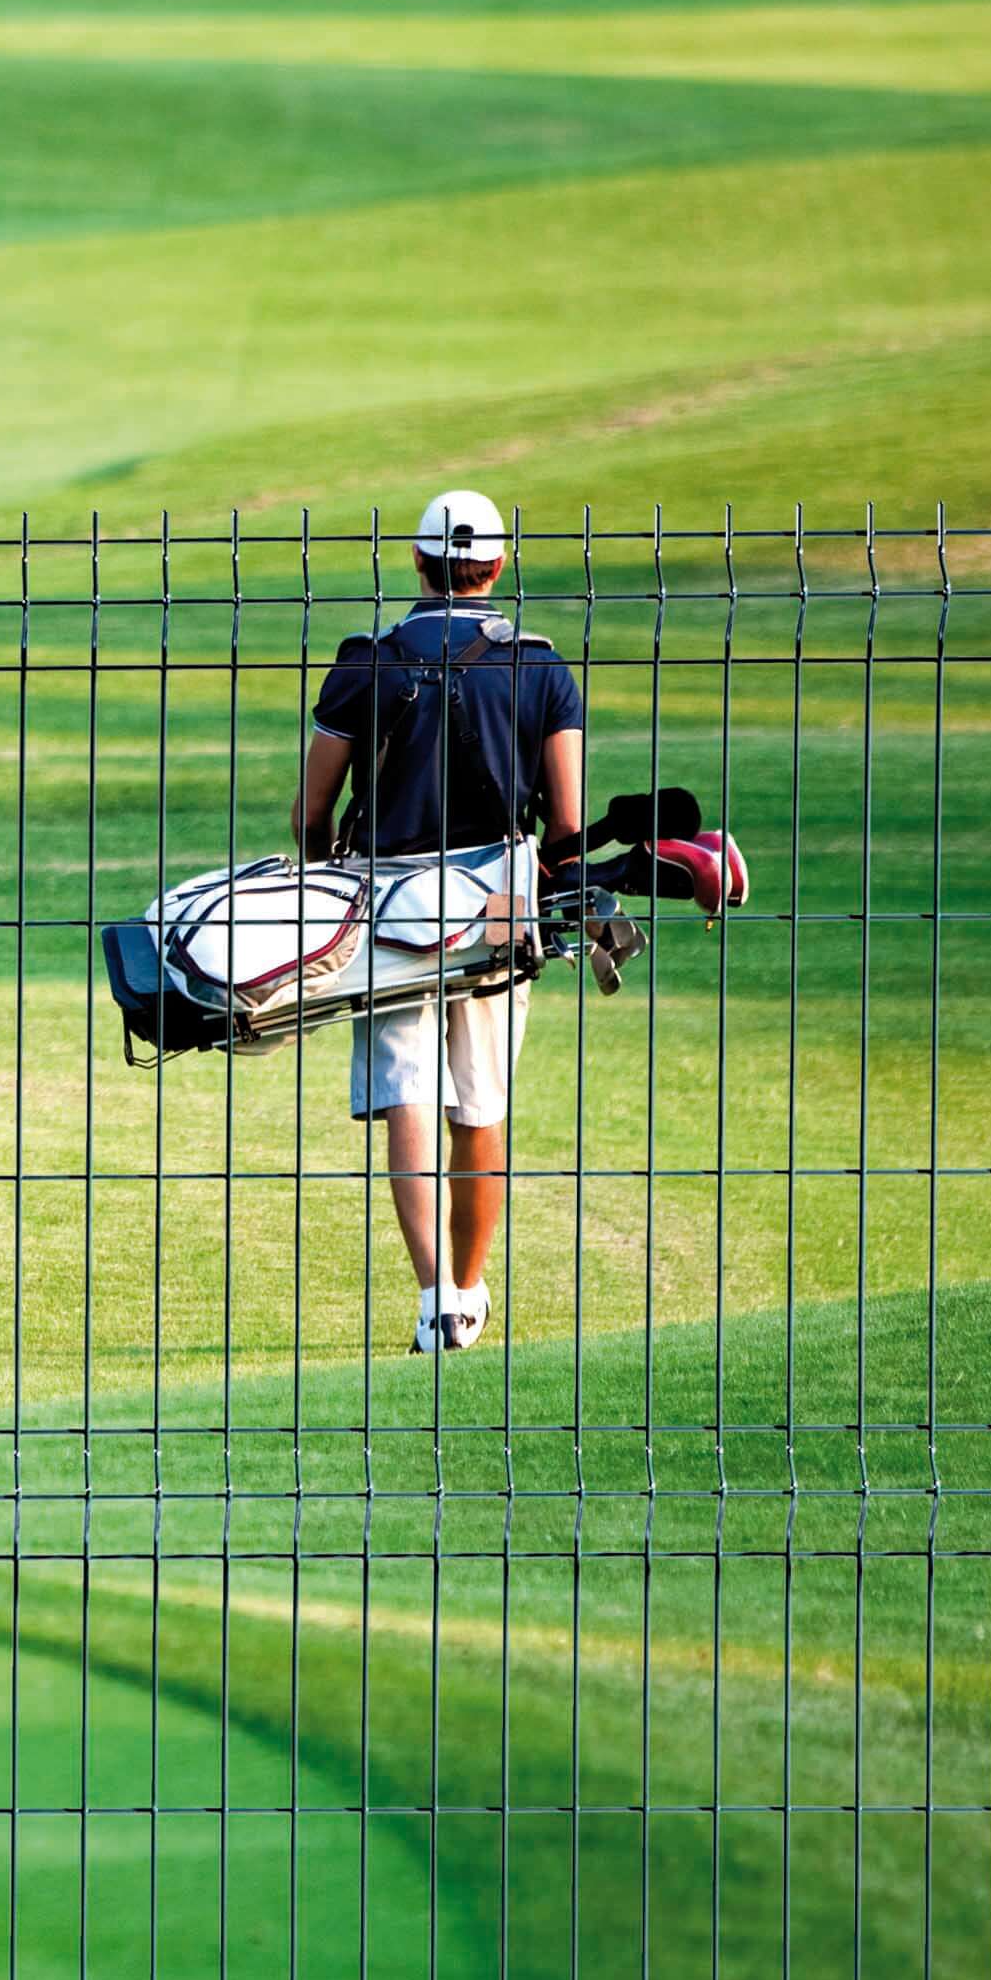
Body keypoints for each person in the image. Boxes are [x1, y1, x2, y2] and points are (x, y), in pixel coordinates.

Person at [289, 491, 585, 1355]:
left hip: (386, 901)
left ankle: (434, 1300)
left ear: (417, 564)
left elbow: (313, 808)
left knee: (406, 1096)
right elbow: (563, 823)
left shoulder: (367, 662)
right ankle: (472, 1284)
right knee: (479, 1101)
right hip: (497, 902)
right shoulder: (542, 669)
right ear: (497, 567)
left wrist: (320, 871)